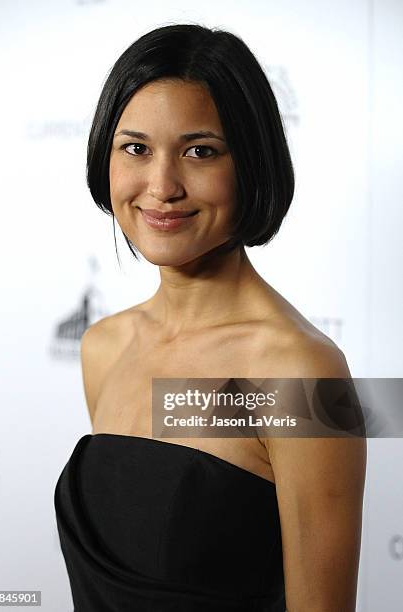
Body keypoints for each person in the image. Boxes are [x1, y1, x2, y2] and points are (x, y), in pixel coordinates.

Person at [54, 23, 367, 612]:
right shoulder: (104, 346)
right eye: (136, 148)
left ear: (251, 162)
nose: (162, 186)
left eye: (200, 151)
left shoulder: (299, 371)